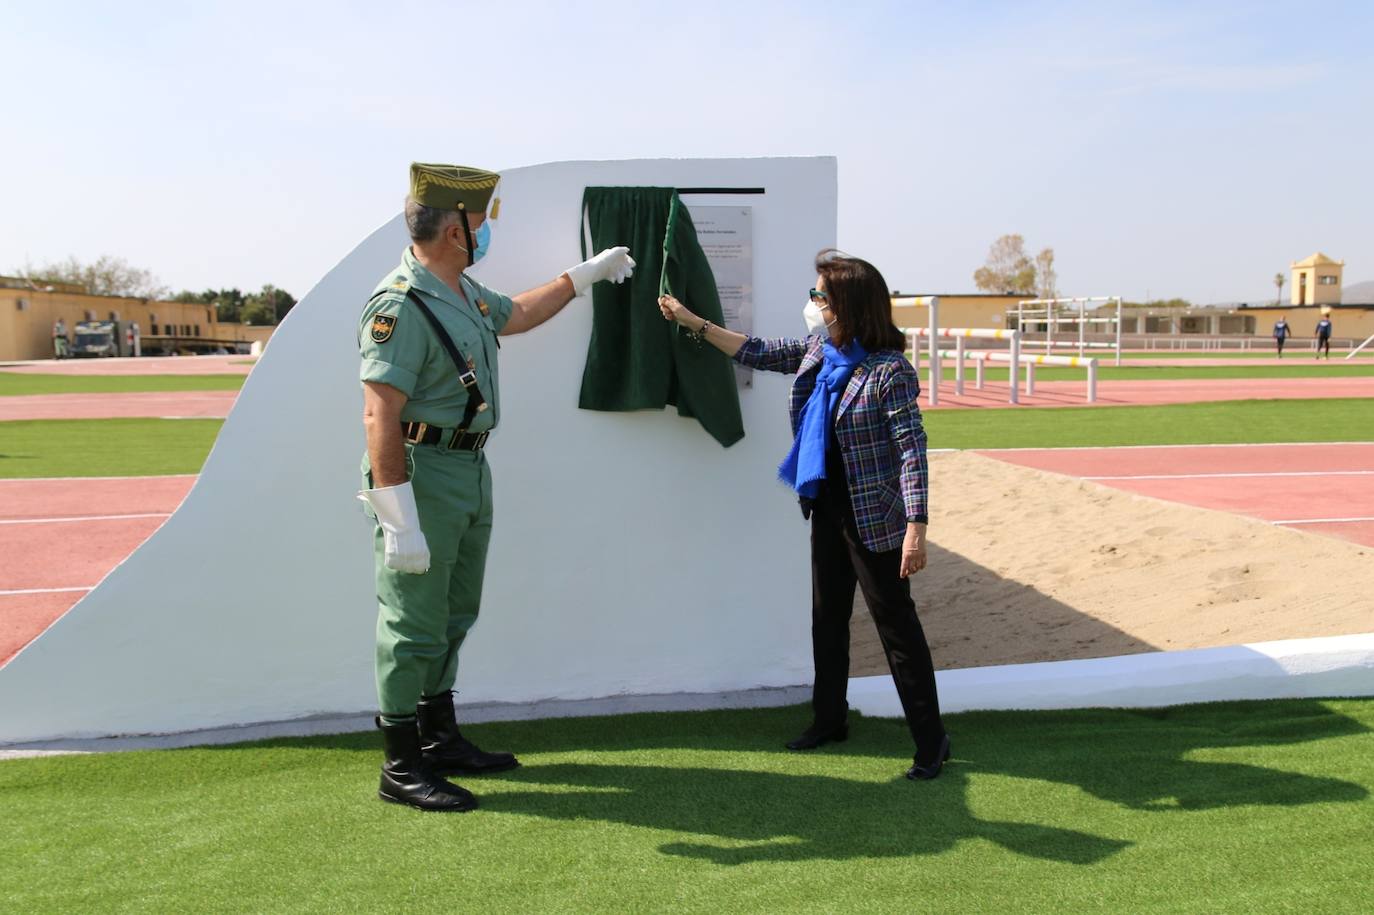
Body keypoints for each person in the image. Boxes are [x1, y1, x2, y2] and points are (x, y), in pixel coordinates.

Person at [357, 163, 635, 812]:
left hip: (467, 470)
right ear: (456, 230)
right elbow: (378, 414)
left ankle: (439, 736)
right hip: (421, 474)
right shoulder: (400, 304)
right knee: (411, 621)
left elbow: (518, 312)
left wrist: (582, 276)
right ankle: (401, 764)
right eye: (485, 221)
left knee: (454, 612)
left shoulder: (459, 290)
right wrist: (397, 515)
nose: (488, 231)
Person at [657, 250, 950, 781]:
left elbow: (912, 449)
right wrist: (690, 321)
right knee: (827, 619)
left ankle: (932, 743)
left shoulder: (889, 371)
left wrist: (916, 527)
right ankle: (829, 720)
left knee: (896, 629)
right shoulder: (820, 350)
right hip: (827, 505)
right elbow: (758, 351)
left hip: (875, 516)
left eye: (820, 295)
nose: (812, 302)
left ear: (847, 305)